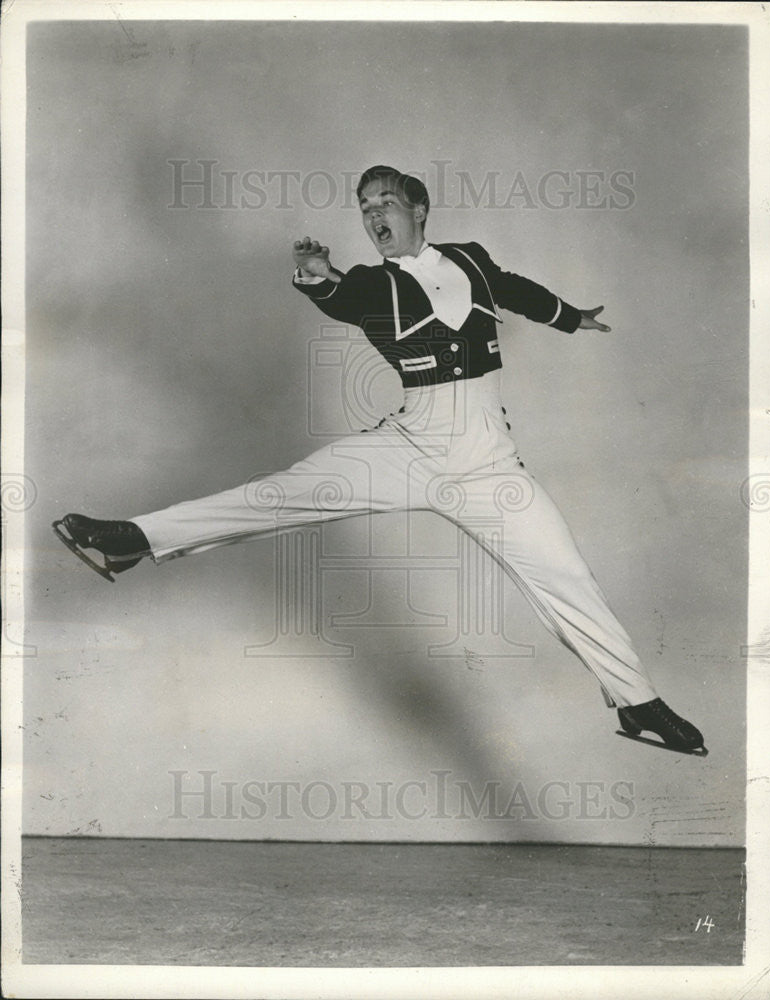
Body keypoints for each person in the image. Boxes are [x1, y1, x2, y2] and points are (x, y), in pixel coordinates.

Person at [54, 164, 705, 754]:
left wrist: (569, 316)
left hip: (488, 468)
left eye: (384, 202)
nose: (372, 216)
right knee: (279, 494)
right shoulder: (373, 284)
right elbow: (341, 295)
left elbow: (510, 288)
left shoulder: (471, 260)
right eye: (364, 207)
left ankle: (638, 705)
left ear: (418, 209)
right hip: (409, 448)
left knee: (566, 577)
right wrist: (317, 281)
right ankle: (132, 541)